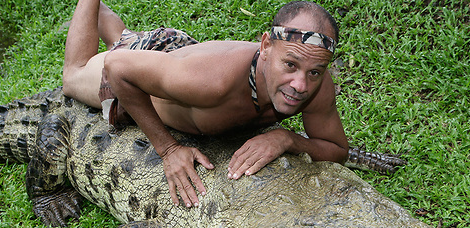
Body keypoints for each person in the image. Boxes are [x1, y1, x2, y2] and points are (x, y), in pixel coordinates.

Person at [62, 0, 349, 208]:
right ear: (265, 47)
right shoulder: (212, 83)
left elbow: (336, 149)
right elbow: (117, 67)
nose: (301, 85)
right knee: (74, 77)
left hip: (178, 61)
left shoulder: (316, 85)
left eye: (314, 72)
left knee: (134, 49)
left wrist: (288, 138)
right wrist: (169, 148)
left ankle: (112, 26)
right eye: (290, 64)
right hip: (153, 65)